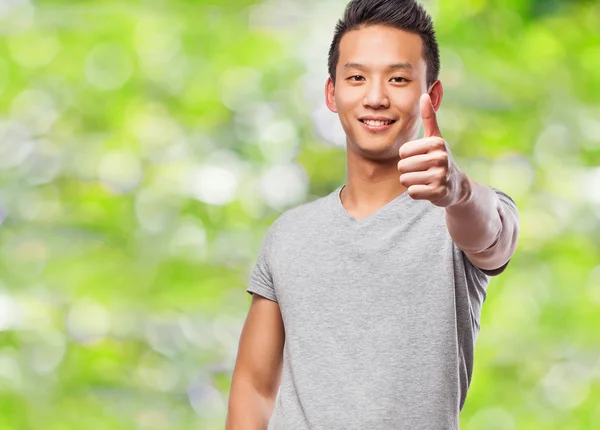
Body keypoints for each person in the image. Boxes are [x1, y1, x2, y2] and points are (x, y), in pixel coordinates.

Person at [225, 0, 520, 428]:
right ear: (332, 93)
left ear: (431, 95)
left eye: (399, 79)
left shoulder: (460, 214)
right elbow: (254, 387)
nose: (376, 97)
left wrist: (457, 190)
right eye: (357, 77)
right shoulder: (289, 235)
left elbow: (492, 236)